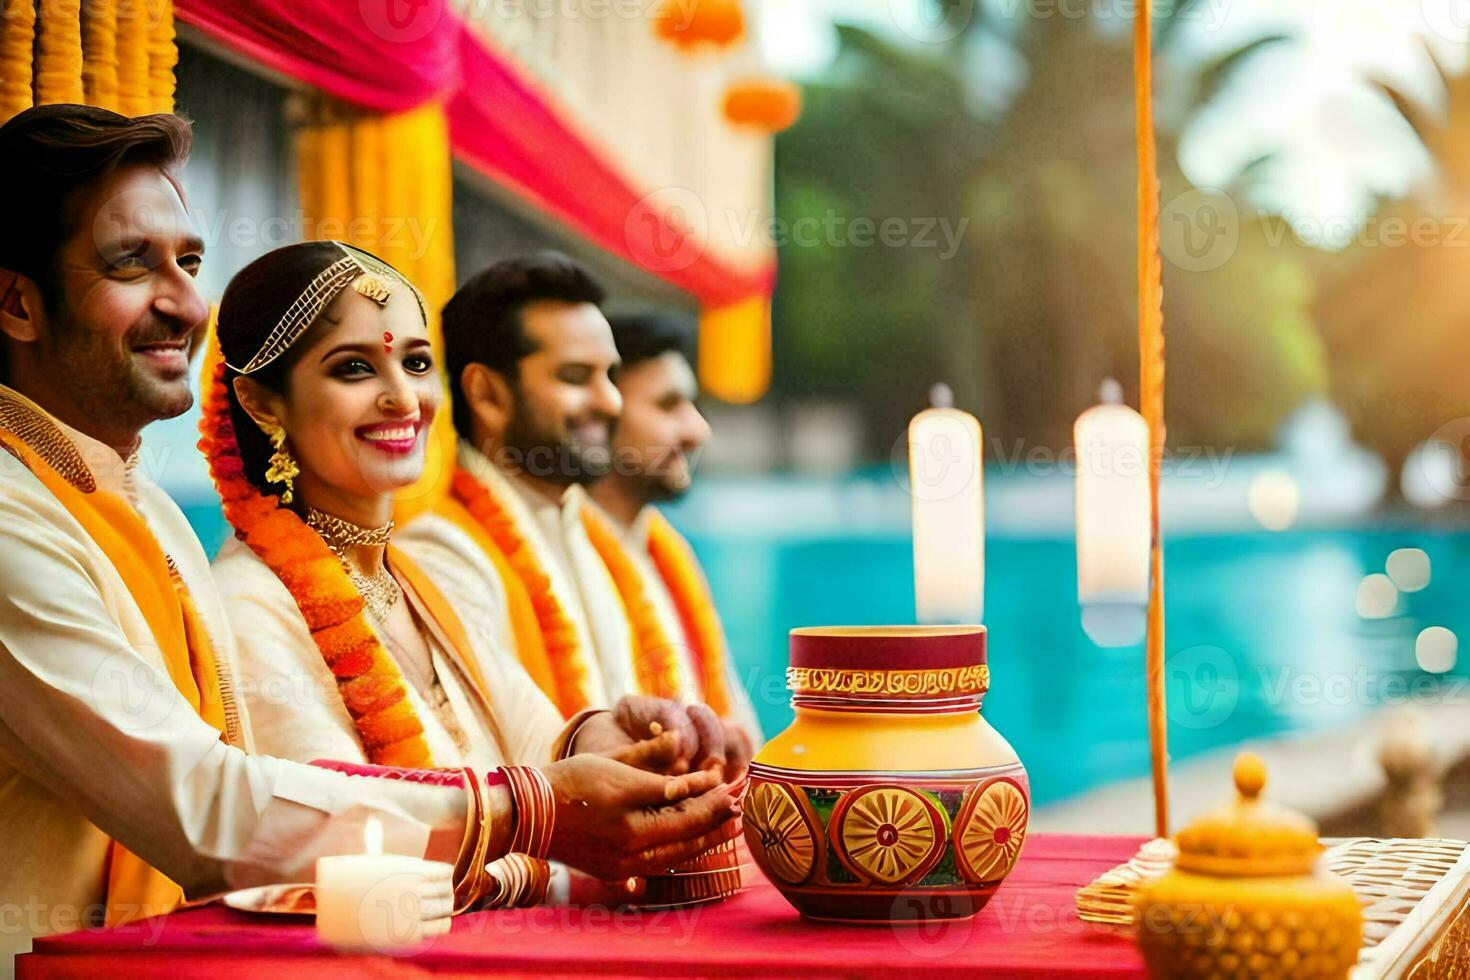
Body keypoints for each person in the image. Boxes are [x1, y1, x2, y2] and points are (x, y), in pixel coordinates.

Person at [0, 105, 736, 957]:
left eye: (191, 261)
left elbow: (536, 742)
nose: (184, 301)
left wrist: (626, 748)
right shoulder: (35, 528)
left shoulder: (151, 510)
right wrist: (541, 819)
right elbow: (216, 813)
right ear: (18, 305)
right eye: (132, 264)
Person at [397, 255, 749, 775]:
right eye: (576, 377)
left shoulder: (599, 542)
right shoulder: (443, 556)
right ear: (487, 394)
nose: (610, 402)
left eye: (609, 375)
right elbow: (494, 779)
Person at [586, 312, 762, 745]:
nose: (697, 430)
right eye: (668, 405)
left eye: (692, 405)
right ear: (599, 409)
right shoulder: (555, 558)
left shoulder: (665, 552)